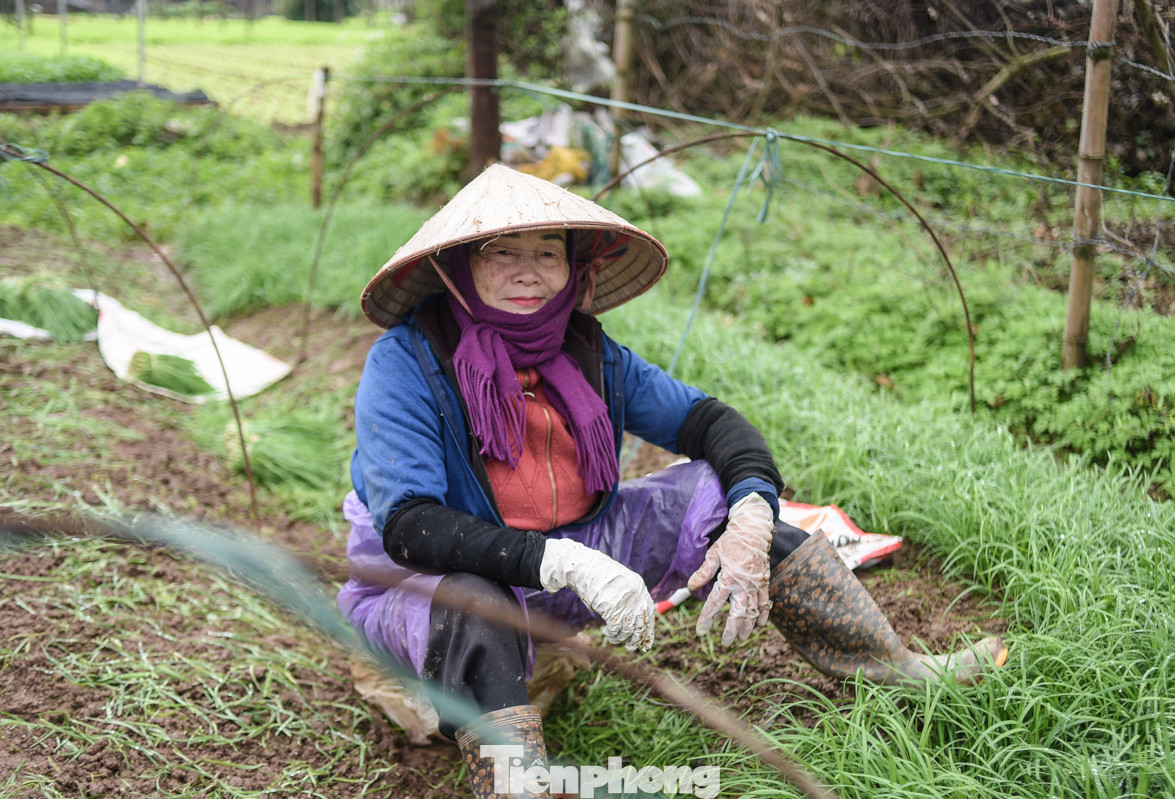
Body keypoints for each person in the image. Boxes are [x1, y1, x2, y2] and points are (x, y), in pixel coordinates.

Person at [338, 164, 1007, 798]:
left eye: (547, 252)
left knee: (730, 507)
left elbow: (711, 423)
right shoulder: (407, 362)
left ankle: (899, 671)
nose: (529, 273)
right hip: (428, 583)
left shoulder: (586, 349)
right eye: (501, 253)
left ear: (573, 266)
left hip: (575, 548)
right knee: (469, 596)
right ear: (459, 267)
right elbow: (411, 526)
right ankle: (517, 782)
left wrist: (750, 514)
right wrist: (559, 560)